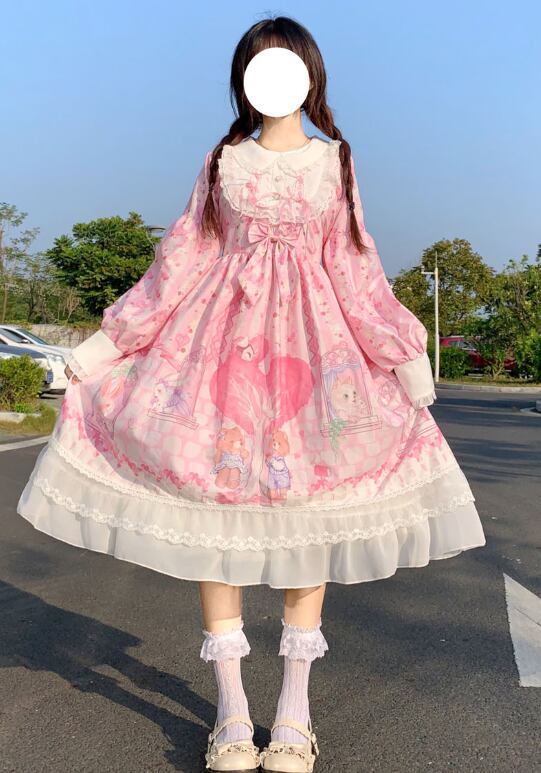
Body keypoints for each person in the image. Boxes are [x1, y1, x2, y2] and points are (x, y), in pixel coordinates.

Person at [17, 15, 486, 773]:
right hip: (218, 353)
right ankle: (231, 712)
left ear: (309, 74)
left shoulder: (336, 162)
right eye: (257, 67)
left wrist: (401, 352)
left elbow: (354, 265)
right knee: (216, 514)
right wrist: (110, 343)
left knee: (308, 521)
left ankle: (294, 712)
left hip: (314, 357)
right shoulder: (222, 161)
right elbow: (181, 258)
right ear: (243, 79)